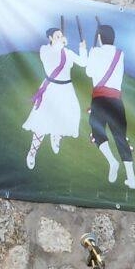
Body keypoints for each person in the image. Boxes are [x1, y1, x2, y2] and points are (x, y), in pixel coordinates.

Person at [81, 23, 135, 190]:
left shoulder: (95, 52)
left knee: (97, 132)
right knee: (120, 138)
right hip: (116, 101)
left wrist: (84, 50)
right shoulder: (120, 54)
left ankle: (112, 161)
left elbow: (89, 72)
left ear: (99, 38)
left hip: (99, 99)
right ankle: (131, 179)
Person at [23, 26, 85, 169]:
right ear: (50, 38)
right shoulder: (45, 50)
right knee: (42, 121)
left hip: (67, 90)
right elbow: (51, 60)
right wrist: (60, 45)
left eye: (61, 36)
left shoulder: (67, 52)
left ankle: (56, 136)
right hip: (51, 89)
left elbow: (83, 63)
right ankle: (32, 152)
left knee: (68, 116)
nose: (60, 38)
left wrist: (82, 49)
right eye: (57, 36)